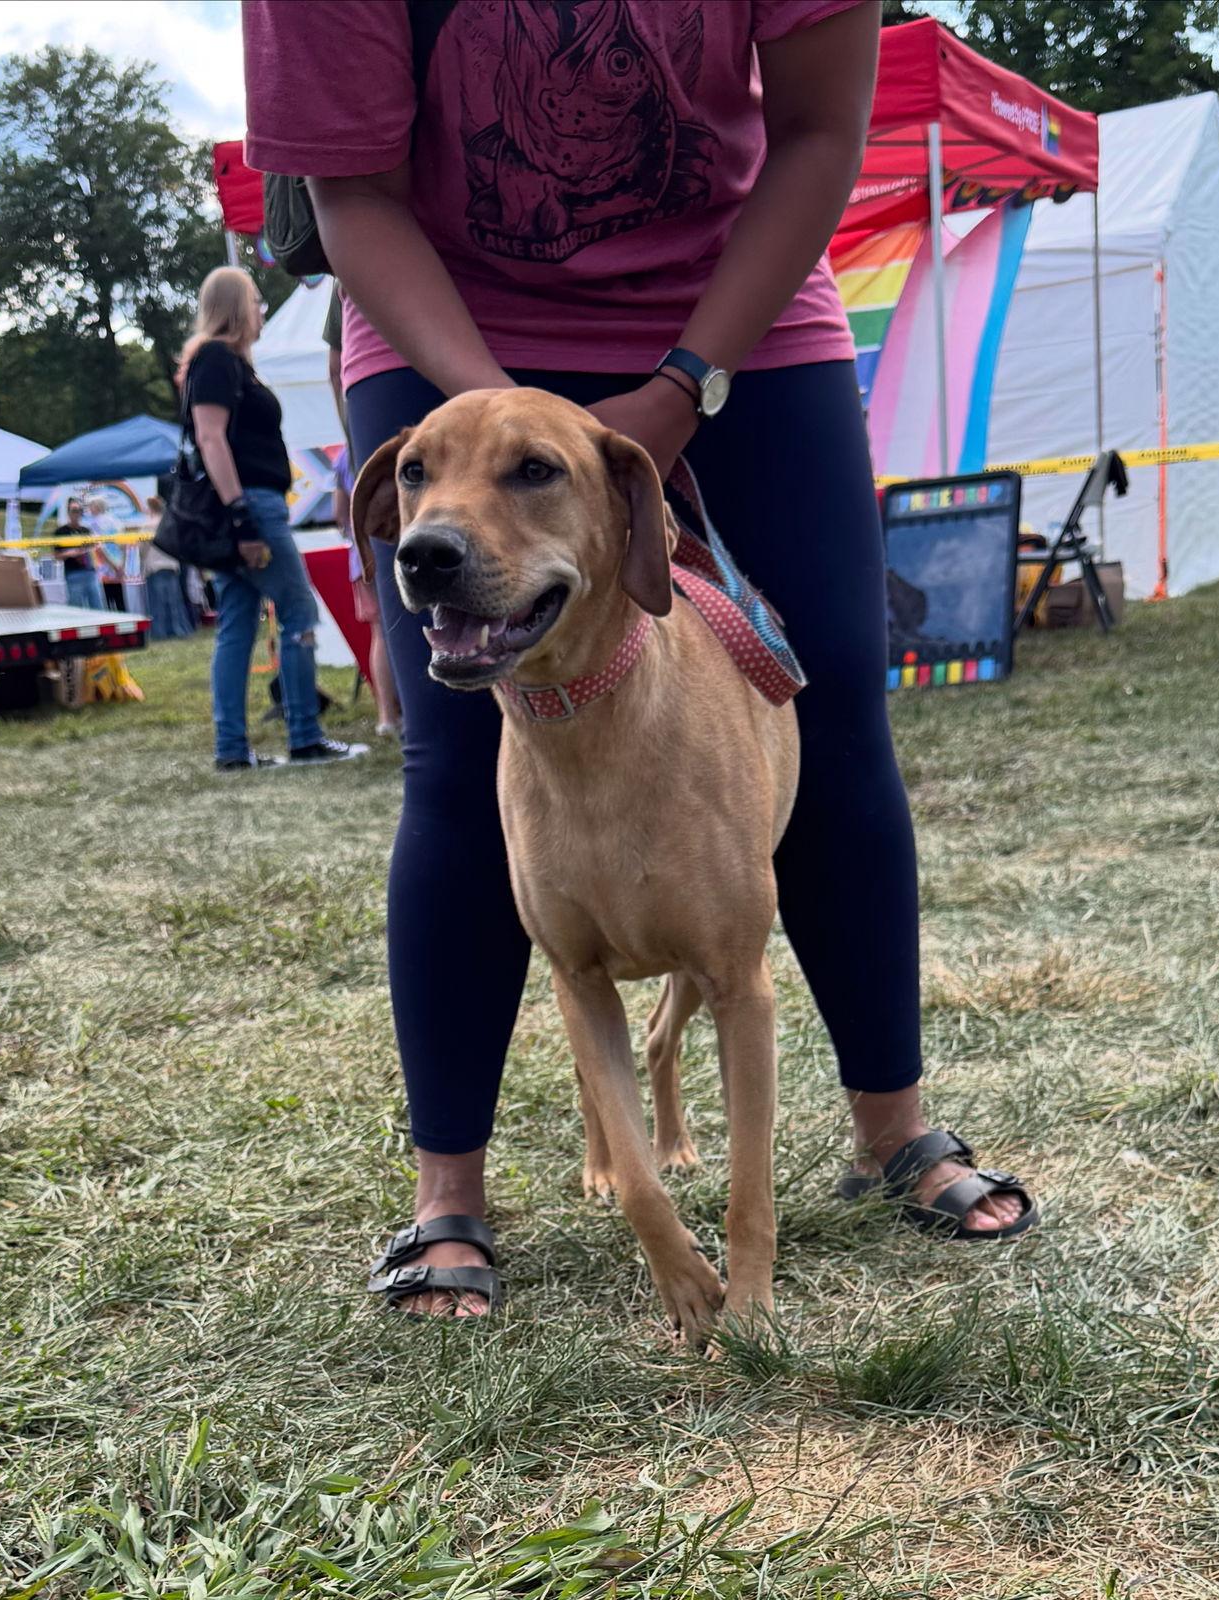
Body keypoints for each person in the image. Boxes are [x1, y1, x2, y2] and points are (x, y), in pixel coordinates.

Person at [246, 0, 1039, 1318]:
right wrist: (506, 433)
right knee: (454, 753)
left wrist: (685, 385)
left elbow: (822, 128)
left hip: (741, 301)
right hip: (449, 320)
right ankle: (450, 1195)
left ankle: (890, 1127)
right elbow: (353, 194)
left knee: (830, 699)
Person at [179, 264, 367, 770]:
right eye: (256, 300)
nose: (262, 310)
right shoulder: (217, 360)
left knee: (237, 623)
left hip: (242, 506)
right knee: (298, 613)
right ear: (237, 307)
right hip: (251, 506)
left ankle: (232, 749)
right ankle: (305, 736)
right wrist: (243, 517)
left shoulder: (221, 363)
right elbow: (210, 437)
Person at [327, 285, 401, 738]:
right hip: (385, 547)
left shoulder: (344, 455)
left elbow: (340, 513)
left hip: (361, 554)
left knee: (381, 636)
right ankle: (401, 715)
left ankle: (386, 717)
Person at [141, 495, 193, 639]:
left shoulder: (147, 525)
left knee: (157, 603)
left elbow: (142, 549)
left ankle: (159, 633)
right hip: (171, 565)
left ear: (150, 508)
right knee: (174, 602)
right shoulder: (170, 523)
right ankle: (179, 629)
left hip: (155, 567)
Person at [59, 497, 107, 610]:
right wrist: (71, 553)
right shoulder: (61, 532)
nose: (77, 514)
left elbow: (96, 549)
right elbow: (56, 555)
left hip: (91, 573)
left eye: (79, 511)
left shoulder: (87, 530)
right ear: (68, 512)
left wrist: (95, 546)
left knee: (98, 608)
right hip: (73, 574)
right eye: (74, 510)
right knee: (76, 611)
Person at [87, 495, 128, 611]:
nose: (89, 509)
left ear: (97, 507)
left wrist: (113, 565)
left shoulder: (95, 524)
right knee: (120, 601)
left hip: (105, 566)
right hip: (118, 564)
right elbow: (123, 545)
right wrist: (121, 565)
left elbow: (99, 547)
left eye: (91, 506)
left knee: (108, 602)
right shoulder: (116, 520)